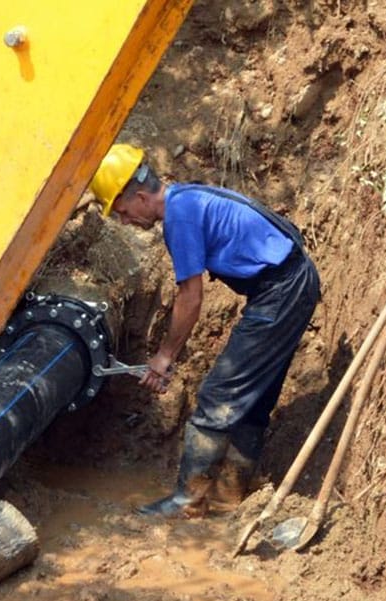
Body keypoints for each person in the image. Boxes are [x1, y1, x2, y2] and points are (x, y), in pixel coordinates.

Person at [89, 144, 321, 518]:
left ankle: (186, 502)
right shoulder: (188, 198)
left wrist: (164, 357)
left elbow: (191, 297)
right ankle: (230, 495)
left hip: (281, 290)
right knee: (253, 399)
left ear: (141, 197)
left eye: (123, 211)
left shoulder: (179, 216)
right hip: (290, 282)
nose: (126, 221)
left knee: (216, 398)